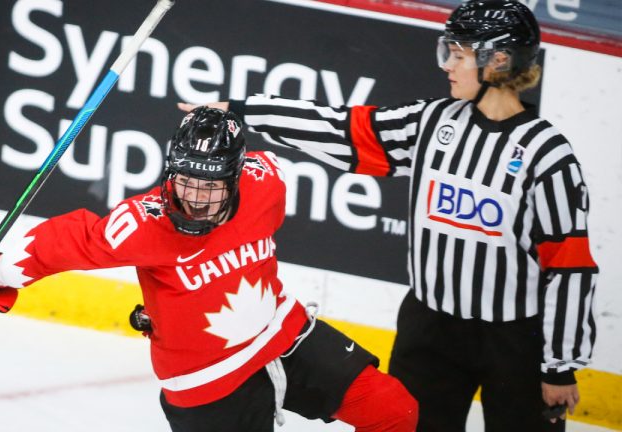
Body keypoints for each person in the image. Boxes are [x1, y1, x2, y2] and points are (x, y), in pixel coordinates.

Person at [179, 1, 599, 431]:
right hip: (430, 331)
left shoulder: (547, 156)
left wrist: (560, 365)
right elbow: (340, 130)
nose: (448, 65)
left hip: (515, 340)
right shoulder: (433, 123)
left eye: (459, 54)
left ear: (500, 58)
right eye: (447, 52)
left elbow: (570, 267)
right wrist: (242, 110)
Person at [0, 107, 418, 431]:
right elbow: (67, 243)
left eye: (210, 187)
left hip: (285, 334)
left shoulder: (266, 182)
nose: (194, 198)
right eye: (184, 180)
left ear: (235, 178)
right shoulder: (144, 224)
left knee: (397, 410)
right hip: (205, 386)